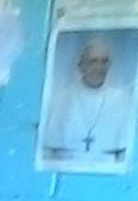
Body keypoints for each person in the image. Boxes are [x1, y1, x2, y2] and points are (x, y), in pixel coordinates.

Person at [43, 36, 134, 166]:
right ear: (81, 65)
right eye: (93, 61)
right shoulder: (61, 100)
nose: (99, 67)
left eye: (104, 61)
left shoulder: (122, 100)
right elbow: (51, 148)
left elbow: (124, 151)